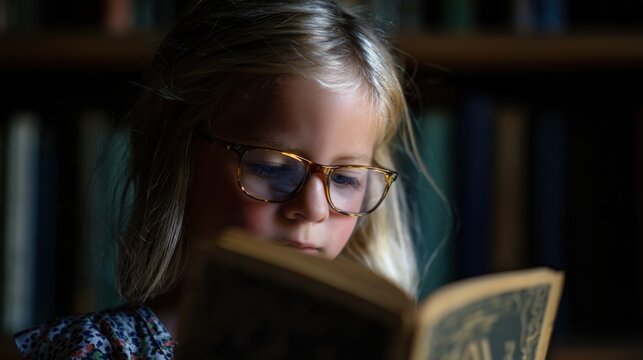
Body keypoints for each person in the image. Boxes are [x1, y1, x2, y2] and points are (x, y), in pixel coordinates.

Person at [14, 0, 421, 357]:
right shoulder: (94, 352)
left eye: (347, 179)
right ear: (178, 155)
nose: (313, 209)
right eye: (272, 168)